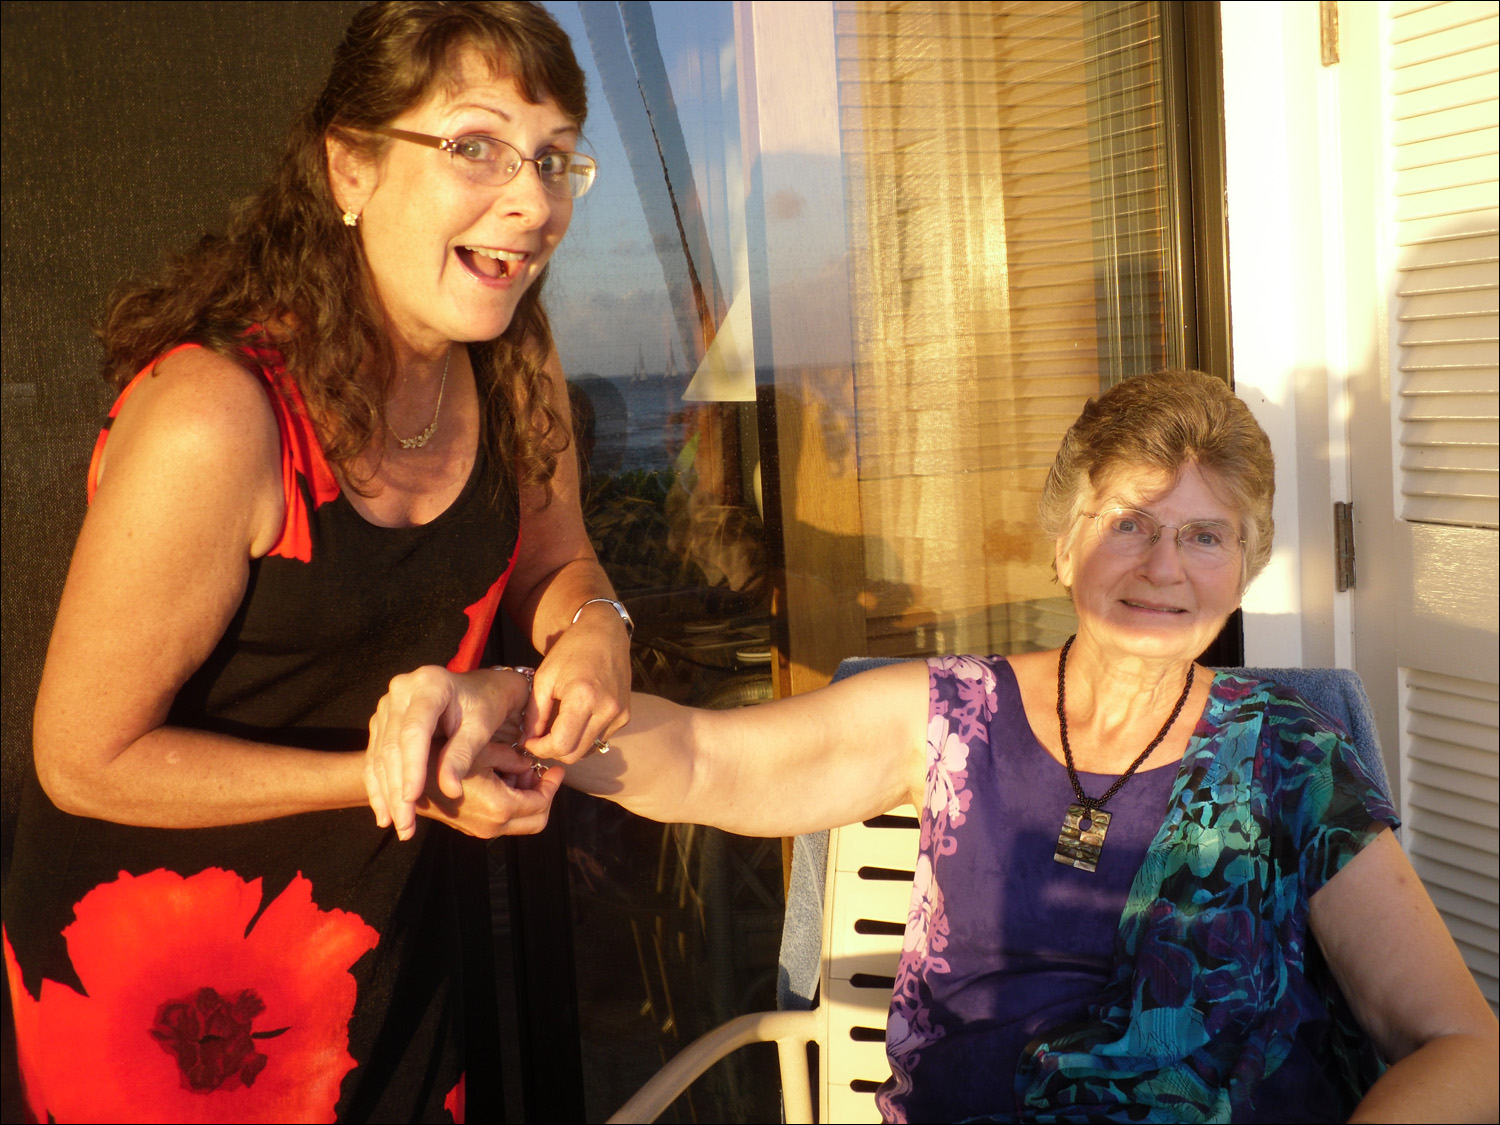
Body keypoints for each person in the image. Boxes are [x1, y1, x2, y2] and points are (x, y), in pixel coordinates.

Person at [369, 369, 1498, 1122]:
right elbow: (710, 762)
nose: (1164, 566)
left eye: (1205, 536)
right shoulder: (953, 717)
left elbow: (1458, 1040)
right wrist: (524, 713)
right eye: (1129, 525)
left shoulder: (1291, 763)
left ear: (1242, 568)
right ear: (1063, 545)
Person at [2, 3, 631, 1121]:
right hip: (160, 990)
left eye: (552, 158)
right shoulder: (220, 415)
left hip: (381, 939)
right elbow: (82, 759)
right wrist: (391, 778)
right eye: (474, 146)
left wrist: (596, 633)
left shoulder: (515, 374)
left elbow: (559, 566)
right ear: (351, 166)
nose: (533, 203)